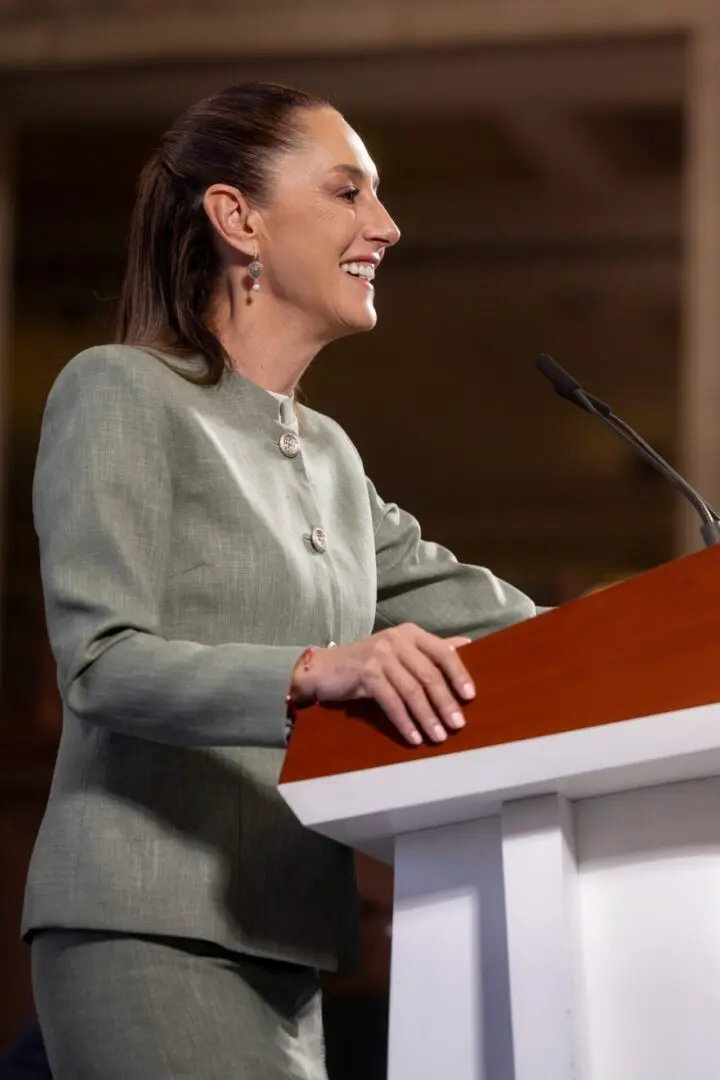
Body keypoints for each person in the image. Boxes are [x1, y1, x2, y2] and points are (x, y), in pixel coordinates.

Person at [24, 82, 541, 1079]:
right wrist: (320, 670)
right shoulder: (119, 391)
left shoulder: (334, 461)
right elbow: (100, 664)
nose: (385, 226)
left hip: (292, 948)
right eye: (349, 192)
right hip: (145, 930)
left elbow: (508, 622)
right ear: (236, 218)